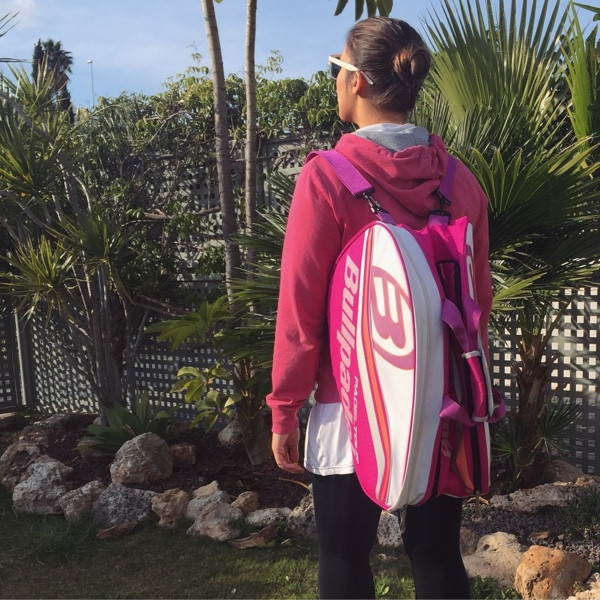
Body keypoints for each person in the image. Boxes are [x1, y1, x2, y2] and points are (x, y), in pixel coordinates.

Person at [266, 16, 492, 600]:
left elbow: (300, 310)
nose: (335, 81)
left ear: (358, 82)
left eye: (336, 68)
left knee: (344, 554)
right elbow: (477, 301)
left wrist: (285, 407)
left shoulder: (326, 179)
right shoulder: (460, 182)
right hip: (443, 402)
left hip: (351, 402)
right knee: (436, 554)